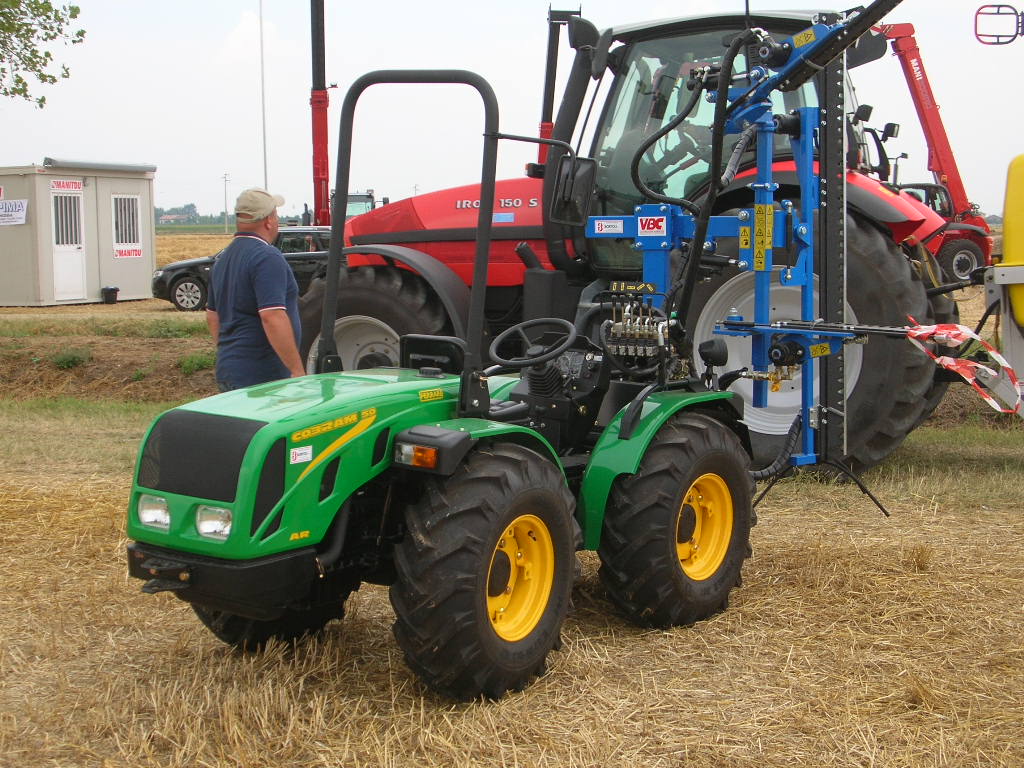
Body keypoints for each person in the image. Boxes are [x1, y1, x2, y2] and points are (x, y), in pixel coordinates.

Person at [206, 187, 306, 391]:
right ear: (268, 220)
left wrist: (230, 355)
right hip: (263, 377)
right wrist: (296, 370)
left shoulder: (223, 259)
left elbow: (212, 316)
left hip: (230, 370)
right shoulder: (267, 257)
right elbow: (272, 316)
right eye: (276, 215)